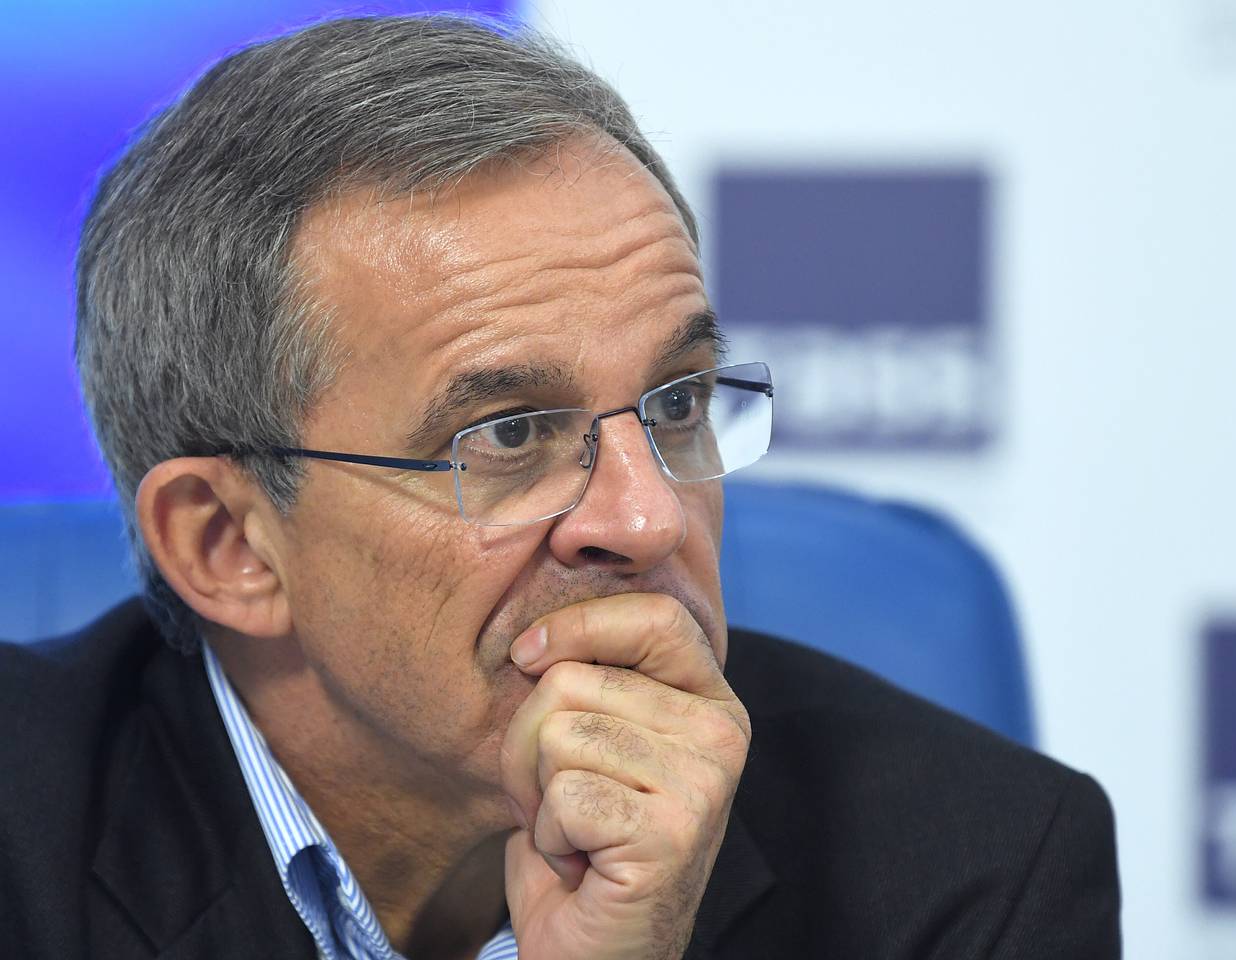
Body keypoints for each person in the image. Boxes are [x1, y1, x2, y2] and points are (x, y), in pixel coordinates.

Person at [0, 14, 1121, 960]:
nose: (647, 517)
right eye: (508, 435)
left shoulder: (971, 872)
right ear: (228, 545)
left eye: (676, 403)